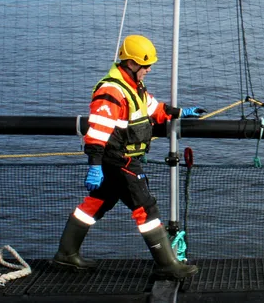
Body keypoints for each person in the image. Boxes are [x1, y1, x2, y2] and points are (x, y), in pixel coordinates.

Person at [53, 34, 206, 279]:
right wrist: (94, 165)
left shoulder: (133, 87)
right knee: (146, 208)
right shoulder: (111, 92)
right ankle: (167, 265)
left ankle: (66, 255)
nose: (148, 69)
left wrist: (180, 112)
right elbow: (98, 131)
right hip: (117, 160)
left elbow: (153, 109)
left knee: (95, 204)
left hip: (118, 160)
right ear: (130, 64)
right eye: (144, 65)